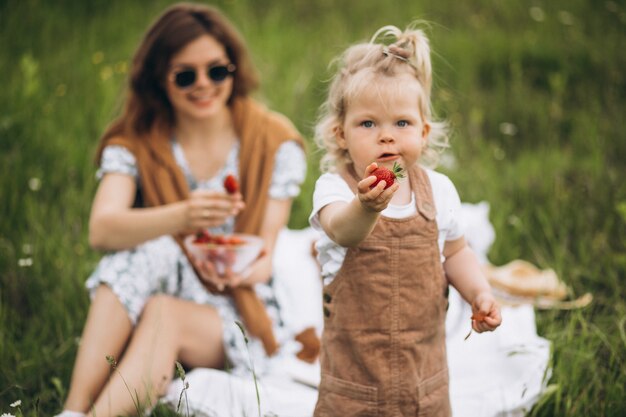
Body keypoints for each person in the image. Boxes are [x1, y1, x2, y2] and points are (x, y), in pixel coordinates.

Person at [56, 3, 312, 417]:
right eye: (185, 75)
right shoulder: (138, 140)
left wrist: (235, 266)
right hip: (157, 284)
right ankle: (73, 408)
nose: (204, 85)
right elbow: (101, 230)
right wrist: (183, 216)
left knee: (164, 311)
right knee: (152, 250)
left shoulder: (272, 141)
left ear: (233, 69)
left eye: (217, 71)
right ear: (159, 77)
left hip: (237, 304)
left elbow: (265, 254)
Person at [309, 24, 502, 416]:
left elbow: (456, 253)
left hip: (424, 384)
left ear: (424, 132)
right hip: (352, 389)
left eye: (402, 123)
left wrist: (478, 292)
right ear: (340, 133)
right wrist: (366, 206)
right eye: (368, 124)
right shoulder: (336, 189)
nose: (386, 137)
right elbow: (342, 232)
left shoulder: (439, 190)